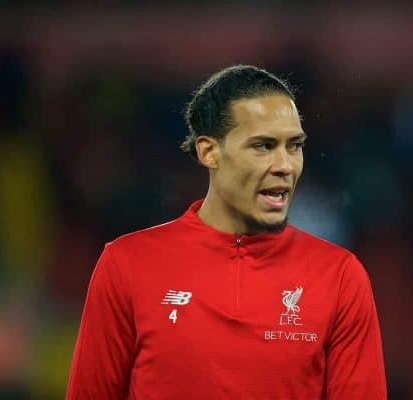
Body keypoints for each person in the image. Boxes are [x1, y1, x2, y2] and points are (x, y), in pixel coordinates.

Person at [66, 65, 387, 399]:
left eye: (294, 146)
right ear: (209, 152)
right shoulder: (127, 264)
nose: (285, 165)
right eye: (263, 146)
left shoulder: (339, 278)